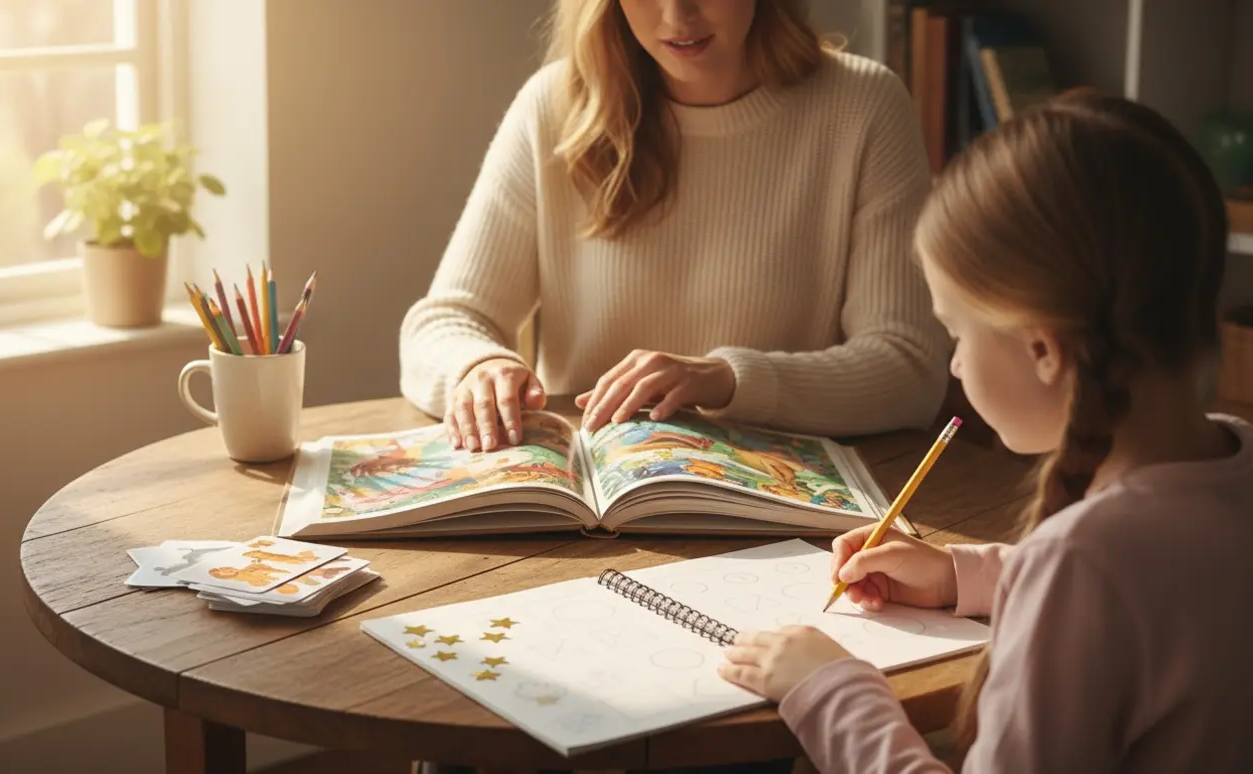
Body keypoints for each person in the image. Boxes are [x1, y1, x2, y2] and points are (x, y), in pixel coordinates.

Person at [717, 90, 1253, 772]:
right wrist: (962, 576)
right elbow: (1159, 601)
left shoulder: (1082, 565)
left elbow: (1104, 591)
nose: (956, 363)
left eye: (957, 333)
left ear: (1043, 350)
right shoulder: (1230, 469)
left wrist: (832, 689)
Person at [399, 0, 949, 454]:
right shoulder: (554, 106)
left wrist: (727, 379)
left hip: (782, 519)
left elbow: (910, 369)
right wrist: (481, 364)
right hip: (585, 515)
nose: (675, 14)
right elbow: (445, 322)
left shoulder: (864, 108)